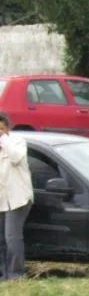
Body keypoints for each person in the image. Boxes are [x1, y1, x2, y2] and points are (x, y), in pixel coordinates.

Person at [0, 114, 33, 281]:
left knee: (11, 238)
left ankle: (16, 276)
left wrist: (3, 139)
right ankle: (3, 275)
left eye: (1, 129)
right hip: (1, 200)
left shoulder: (17, 142)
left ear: (8, 129)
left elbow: (16, 158)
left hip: (18, 199)